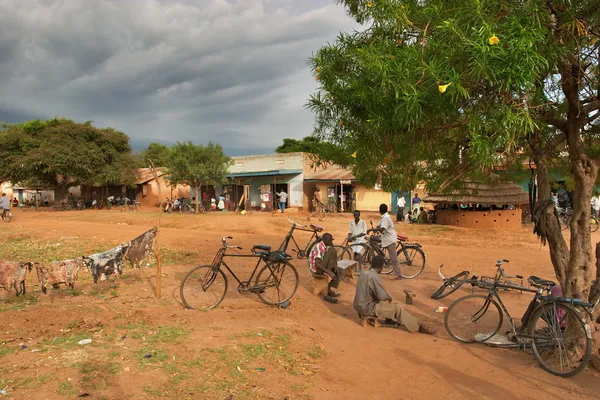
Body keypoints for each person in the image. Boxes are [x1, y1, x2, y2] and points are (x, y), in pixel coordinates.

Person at [353, 255, 437, 334]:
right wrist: (388, 297)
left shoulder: (364, 273)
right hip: (366, 308)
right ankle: (418, 326)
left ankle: (387, 319)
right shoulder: (374, 277)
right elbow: (382, 296)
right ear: (381, 267)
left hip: (359, 304)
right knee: (396, 307)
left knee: (386, 302)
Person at [308, 233, 342, 304]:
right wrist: (329, 272)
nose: (331, 242)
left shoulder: (324, 244)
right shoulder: (320, 248)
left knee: (336, 268)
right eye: (330, 241)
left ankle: (328, 289)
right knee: (332, 251)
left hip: (319, 264)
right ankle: (327, 292)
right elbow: (317, 264)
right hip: (315, 268)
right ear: (325, 240)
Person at [375, 203, 402, 280]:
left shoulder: (386, 217)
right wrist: (375, 229)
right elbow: (378, 225)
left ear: (380, 210)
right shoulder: (383, 217)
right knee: (381, 251)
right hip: (386, 239)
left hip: (390, 240)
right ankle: (382, 264)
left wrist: (372, 230)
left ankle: (399, 275)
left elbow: (382, 229)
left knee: (393, 258)